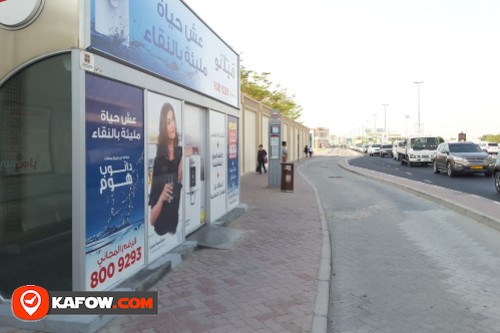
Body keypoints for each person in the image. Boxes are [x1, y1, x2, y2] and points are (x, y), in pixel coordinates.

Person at [149, 103, 183, 236]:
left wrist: (181, 162)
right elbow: (152, 220)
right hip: (161, 232)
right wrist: (162, 197)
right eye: (168, 122)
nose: (173, 125)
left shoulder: (179, 152)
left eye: (173, 119)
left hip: (174, 228)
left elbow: (189, 150)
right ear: (164, 127)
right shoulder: (159, 162)